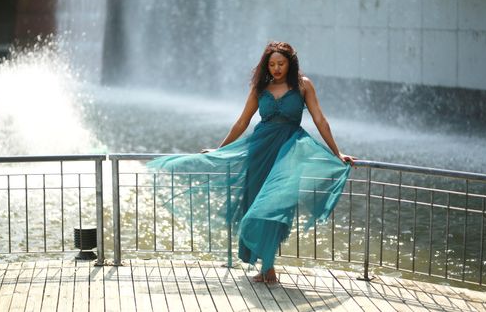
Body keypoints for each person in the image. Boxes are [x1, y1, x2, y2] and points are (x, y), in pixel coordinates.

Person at [148, 41, 355, 283]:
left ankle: (267, 265)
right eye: (272, 64)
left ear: (290, 63)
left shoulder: (303, 85)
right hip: (259, 151)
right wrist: (220, 150)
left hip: (288, 153)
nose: (276, 68)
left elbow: (320, 119)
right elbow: (242, 121)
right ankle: (268, 269)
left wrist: (337, 152)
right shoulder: (261, 87)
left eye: (281, 63)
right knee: (253, 204)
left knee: (273, 209)